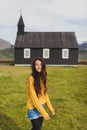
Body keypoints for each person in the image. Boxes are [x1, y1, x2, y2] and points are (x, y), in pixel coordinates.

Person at [26, 57, 55, 130]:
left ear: (43, 66)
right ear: (34, 66)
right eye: (36, 65)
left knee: (37, 128)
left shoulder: (42, 77)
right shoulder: (31, 78)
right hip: (33, 108)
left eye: (40, 64)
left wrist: (51, 109)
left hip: (41, 106)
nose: (39, 66)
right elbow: (34, 98)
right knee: (37, 128)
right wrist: (44, 113)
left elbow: (45, 95)